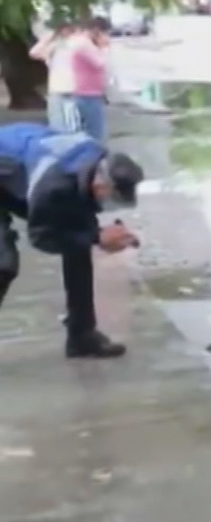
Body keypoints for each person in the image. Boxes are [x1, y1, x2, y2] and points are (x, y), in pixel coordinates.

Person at [0, 122, 143, 358]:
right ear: (100, 183)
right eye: (111, 197)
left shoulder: (93, 163)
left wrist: (96, 236)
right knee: (3, 263)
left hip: (14, 174)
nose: (109, 205)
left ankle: (82, 336)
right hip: (12, 173)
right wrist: (97, 237)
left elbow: (76, 229)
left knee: (78, 243)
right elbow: (41, 237)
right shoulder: (53, 185)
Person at [27, 21, 77, 130]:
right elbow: (34, 53)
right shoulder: (55, 46)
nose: (66, 33)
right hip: (56, 88)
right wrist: (46, 40)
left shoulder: (77, 44)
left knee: (73, 121)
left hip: (74, 88)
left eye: (69, 30)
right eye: (63, 30)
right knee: (57, 121)